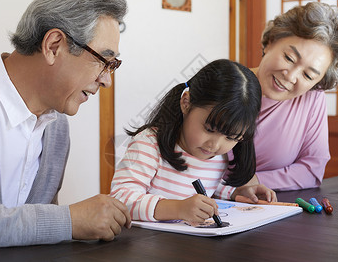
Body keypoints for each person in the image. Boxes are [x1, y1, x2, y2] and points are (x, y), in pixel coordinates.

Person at [0, 0, 131, 255]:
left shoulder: (57, 126)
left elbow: (31, 239)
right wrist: (68, 220)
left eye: (113, 66)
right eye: (103, 60)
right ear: (53, 45)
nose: (106, 80)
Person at [110, 60, 276, 224]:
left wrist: (238, 193)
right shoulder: (149, 144)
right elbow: (121, 200)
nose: (215, 145)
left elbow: (206, 186)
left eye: (231, 137)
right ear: (186, 103)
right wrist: (178, 208)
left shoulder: (217, 157)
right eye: (209, 129)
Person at [246, 2, 338, 191]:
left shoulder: (311, 98)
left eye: (308, 76)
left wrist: (252, 182)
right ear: (270, 42)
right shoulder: (224, 83)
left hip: (266, 207)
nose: (290, 76)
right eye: (289, 58)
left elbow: (312, 170)